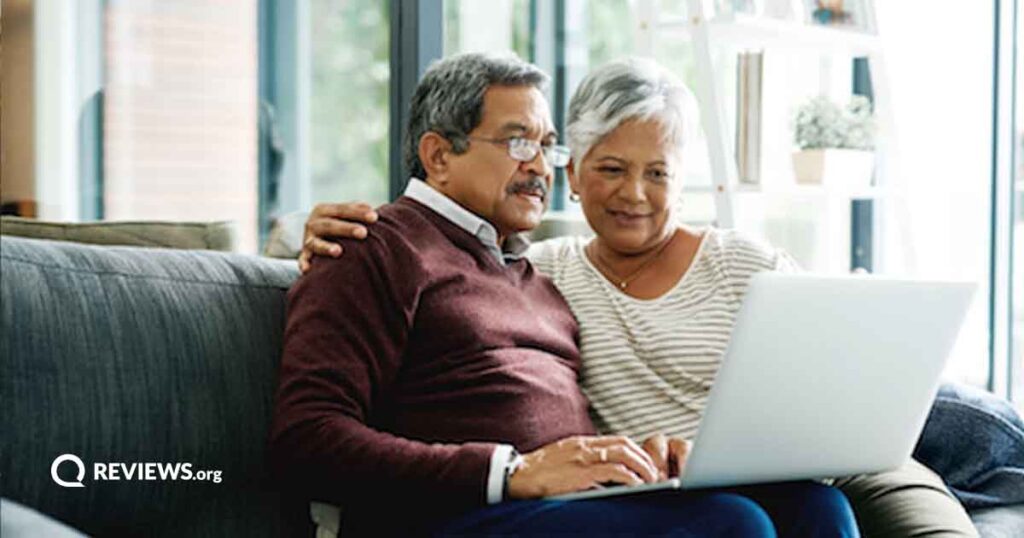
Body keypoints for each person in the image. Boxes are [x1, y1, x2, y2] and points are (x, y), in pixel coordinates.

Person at [301, 56, 980, 537]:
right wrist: (512, 471)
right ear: (438, 155)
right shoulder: (374, 245)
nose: (539, 165)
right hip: (467, 513)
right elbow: (307, 438)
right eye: (517, 142)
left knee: (817, 509)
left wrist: (640, 456)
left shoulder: (526, 272)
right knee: (730, 524)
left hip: (588, 498)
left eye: (544, 145)